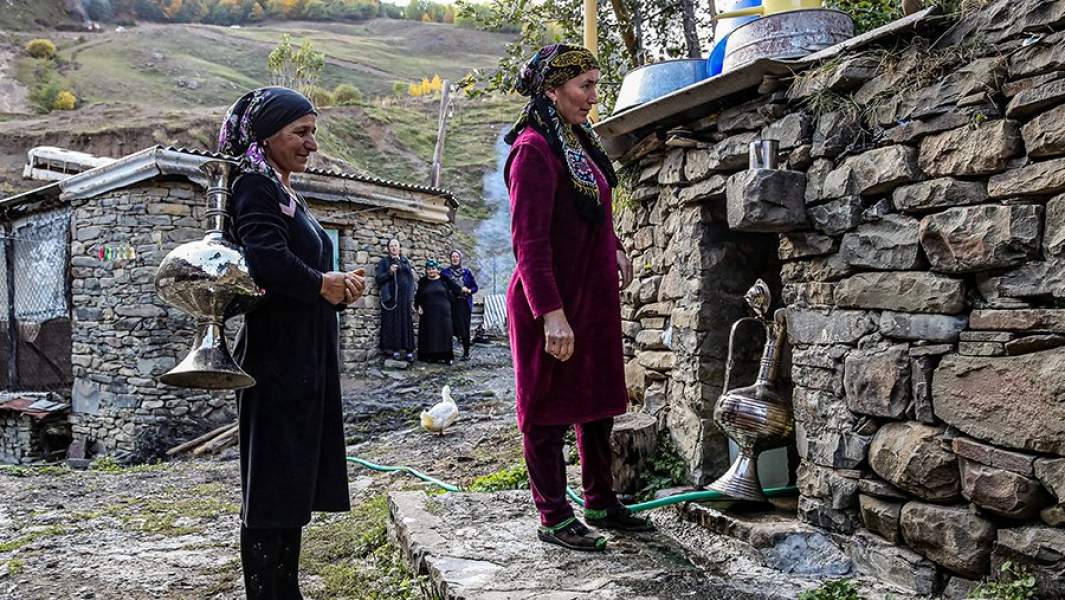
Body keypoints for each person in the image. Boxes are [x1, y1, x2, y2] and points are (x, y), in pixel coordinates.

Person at [504, 44, 653, 552]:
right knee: (546, 411)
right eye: (584, 85)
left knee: (596, 405)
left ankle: (600, 499)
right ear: (551, 90)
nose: (594, 96)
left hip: (590, 298)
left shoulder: (577, 143)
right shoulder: (533, 151)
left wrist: (613, 245)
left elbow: (588, 210)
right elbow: (530, 241)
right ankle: (553, 514)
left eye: (594, 84)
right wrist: (551, 314)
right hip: (551, 302)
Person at [219, 86, 366, 599]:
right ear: (266, 137)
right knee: (272, 482)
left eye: (314, 132)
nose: (312, 144)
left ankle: (286, 588)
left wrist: (335, 286)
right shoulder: (254, 189)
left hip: (305, 352)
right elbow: (266, 262)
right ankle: (266, 592)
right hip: (277, 355)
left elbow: (294, 265)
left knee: (292, 475)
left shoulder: (284, 191)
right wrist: (321, 284)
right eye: (300, 133)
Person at [375, 238, 416, 362]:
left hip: (404, 299)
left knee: (406, 323)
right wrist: (389, 272)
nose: (394, 248)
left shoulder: (404, 260)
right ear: (388, 248)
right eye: (391, 246)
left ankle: (408, 350)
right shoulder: (384, 262)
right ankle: (394, 350)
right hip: (391, 300)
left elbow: (409, 276)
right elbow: (379, 279)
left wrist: (401, 266)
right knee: (393, 324)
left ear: (399, 248)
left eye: (396, 245)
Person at [414, 258, 462, 364]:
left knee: (444, 334)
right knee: (430, 334)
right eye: (429, 269)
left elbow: (457, 290)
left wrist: (452, 300)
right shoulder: (423, 281)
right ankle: (431, 356)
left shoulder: (444, 279)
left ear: (438, 269)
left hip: (443, 312)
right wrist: (419, 306)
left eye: (433, 268)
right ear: (426, 270)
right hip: (428, 313)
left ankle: (446, 357)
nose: (431, 271)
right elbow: (418, 296)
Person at [441, 249, 478, 361]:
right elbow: (443, 288)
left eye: (457, 257)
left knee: (464, 328)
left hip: (464, 303)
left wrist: (469, 291)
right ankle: (448, 353)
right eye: (453, 257)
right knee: (449, 328)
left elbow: (475, 287)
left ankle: (466, 352)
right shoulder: (445, 273)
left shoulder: (467, 272)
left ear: (460, 258)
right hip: (451, 304)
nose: (455, 258)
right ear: (450, 259)